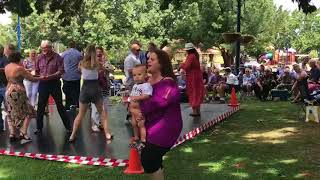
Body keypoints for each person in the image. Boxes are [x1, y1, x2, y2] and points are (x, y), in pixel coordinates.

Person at [138, 49, 182, 180]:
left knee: (148, 159)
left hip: (166, 127)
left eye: (152, 59)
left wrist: (138, 102)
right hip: (152, 125)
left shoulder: (168, 83)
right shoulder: (148, 83)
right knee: (153, 159)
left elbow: (157, 103)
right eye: (148, 59)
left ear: (161, 64)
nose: (148, 61)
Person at [69, 45, 113, 142]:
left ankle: (72, 135)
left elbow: (79, 70)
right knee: (102, 113)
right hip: (96, 90)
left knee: (80, 114)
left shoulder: (81, 63)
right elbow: (106, 69)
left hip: (85, 90)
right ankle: (107, 134)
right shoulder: (98, 64)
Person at [34, 40, 71, 134]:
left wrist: (49, 76)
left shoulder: (58, 57)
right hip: (43, 84)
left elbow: (61, 71)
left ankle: (68, 127)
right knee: (41, 106)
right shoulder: (39, 58)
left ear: (50, 47)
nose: (43, 50)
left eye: (45, 48)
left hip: (54, 83)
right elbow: (37, 71)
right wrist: (37, 76)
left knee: (60, 106)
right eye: (42, 48)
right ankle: (39, 128)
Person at [5, 52, 42, 142]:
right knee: (29, 111)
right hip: (18, 91)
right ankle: (23, 133)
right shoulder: (19, 68)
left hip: (8, 90)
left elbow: (8, 80)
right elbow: (31, 78)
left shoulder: (7, 67)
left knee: (10, 112)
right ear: (18, 59)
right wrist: (42, 77)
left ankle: (12, 134)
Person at [127, 64, 153, 150]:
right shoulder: (135, 86)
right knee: (134, 124)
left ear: (145, 75)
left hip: (139, 110)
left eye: (139, 74)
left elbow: (147, 95)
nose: (136, 77)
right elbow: (132, 96)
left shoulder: (146, 85)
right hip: (132, 109)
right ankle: (136, 136)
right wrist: (127, 100)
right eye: (134, 75)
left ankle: (143, 139)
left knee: (141, 124)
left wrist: (137, 98)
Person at [91, 47, 113, 132]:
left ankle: (102, 123)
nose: (99, 55)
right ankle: (94, 124)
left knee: (105, 107)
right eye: (97, 53)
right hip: (95, 87)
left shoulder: (106, 62)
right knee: (95, 107)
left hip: (105, 86)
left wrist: (104, 68)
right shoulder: (92, 63)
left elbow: (112, 69)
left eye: (100, 53)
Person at [180, 43, 204, 117]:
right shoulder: (195, 56)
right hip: (197, 76)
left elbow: (187, 66)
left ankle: (194, 111)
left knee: (192, 92)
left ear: (188, 50)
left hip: (192, 77)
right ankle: (198, 111)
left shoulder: (190, 56)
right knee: (197, 92)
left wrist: (181, 65)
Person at [124, 43, 142, 123]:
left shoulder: (136, 58)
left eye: (139, 49)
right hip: (132, 82)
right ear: (133, 50)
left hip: (136, 82)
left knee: (135, 99)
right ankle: (131, 115)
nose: (139, 51)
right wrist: (141, 71)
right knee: (133, 99)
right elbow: (129, 70)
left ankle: (130, 114)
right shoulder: (129, 58)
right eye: (138, 50)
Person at [62, 41, 82, 111]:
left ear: (68, 46)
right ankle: (76, 104)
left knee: (67, 91)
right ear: (75, 45)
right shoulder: (79, 54)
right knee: (76, 91)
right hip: (76, 75)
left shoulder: (64, 54)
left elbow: (61, 62)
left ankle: (68, 105)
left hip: (66, 76)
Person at [0, 45, 10, 131]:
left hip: (4, 85)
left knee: (8, 107)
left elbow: (7, 69)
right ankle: (0, 127)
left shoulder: (5, 59)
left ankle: (13, 128)